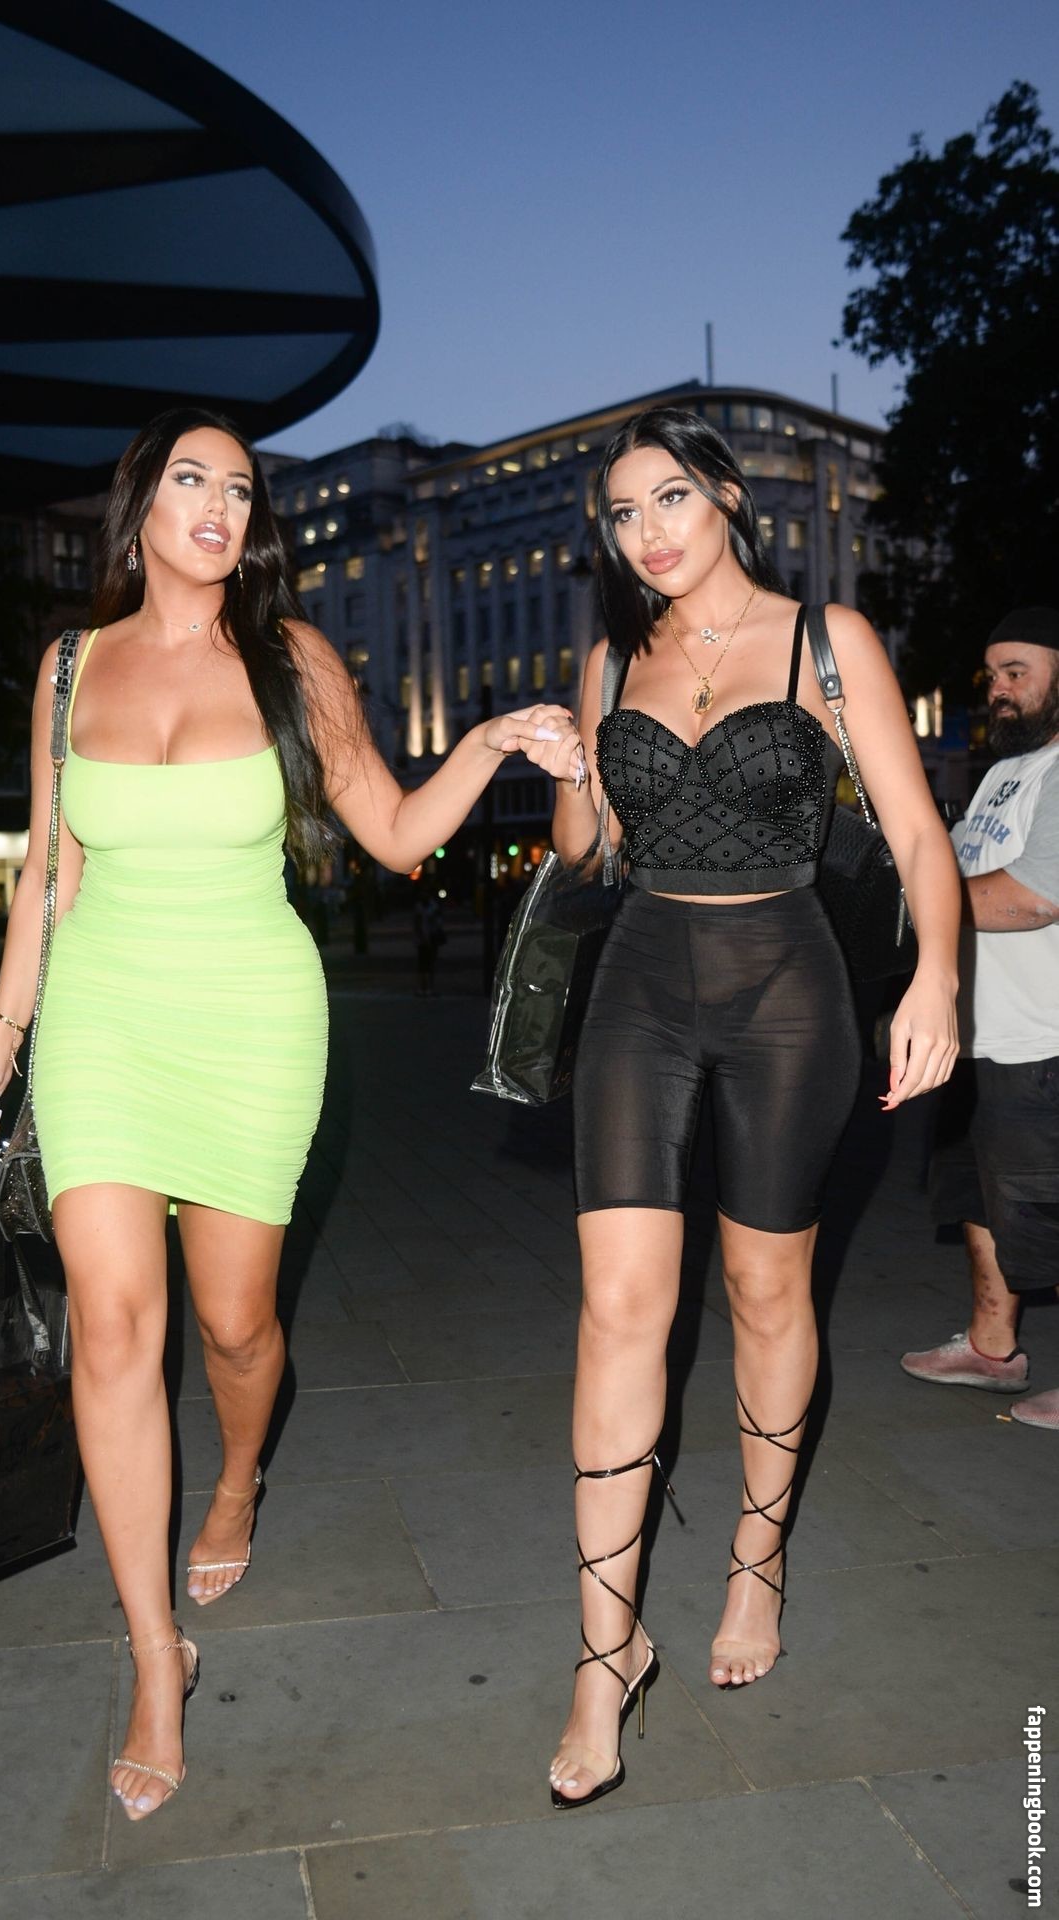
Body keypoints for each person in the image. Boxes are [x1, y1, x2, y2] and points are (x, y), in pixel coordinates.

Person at [0, 407, 583, 1822]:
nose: (219, 506)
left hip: (250, 1022)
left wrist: (490, 740)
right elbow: (49, 871)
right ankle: (153, 1656)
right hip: (102, 1023)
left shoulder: (291, 657)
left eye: (240, 489)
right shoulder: (68, 666)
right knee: (116, 1324)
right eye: (192, 480)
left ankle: (238, 1474)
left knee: (235, 1327)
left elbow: (395, 832)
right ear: (139, 508)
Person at [529, 407, 961, 1809]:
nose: (645, 533)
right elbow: (589, 852)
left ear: (723, 494)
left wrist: (937, 977)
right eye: (621, 514)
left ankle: (754, 1565)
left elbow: (914, 833)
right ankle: (604, 1653)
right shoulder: (611, 659)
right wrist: (569, 773)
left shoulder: (825, 643)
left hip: (789, 986)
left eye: (668, 498)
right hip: (640, 983)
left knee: (769, 1292)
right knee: (616, 1305)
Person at [900, 607, 1059, 1430]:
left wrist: (911, 903)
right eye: (991, 675)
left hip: (1043, 1041)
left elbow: (1031, 899)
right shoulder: (1005, 772)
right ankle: (991, 1349)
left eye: (1016, 673)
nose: (996, 689)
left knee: (1046, 1211)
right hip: (978, 1041)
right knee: (978, 1199)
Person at [413, 885, 445, 995]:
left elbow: (438, 922)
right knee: (422, 964)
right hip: (423, 938)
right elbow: (417, 924)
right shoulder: (420, 907)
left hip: (431, 937)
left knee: (430, 963)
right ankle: (423, 987)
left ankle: (429, 987)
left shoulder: (433, 906)